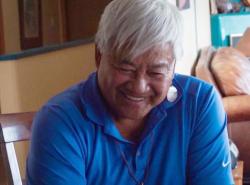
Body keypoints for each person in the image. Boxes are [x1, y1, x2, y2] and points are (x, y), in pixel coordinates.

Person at [26, 0, 234, 184]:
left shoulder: (198, 104)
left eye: (156, 72)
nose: (139, 86)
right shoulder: (60, 122)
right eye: (125, 69)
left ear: (172, 67)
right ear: (99, 55)